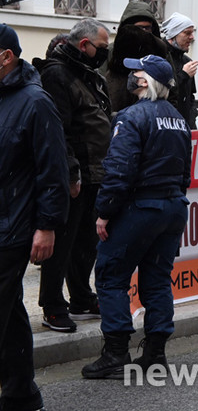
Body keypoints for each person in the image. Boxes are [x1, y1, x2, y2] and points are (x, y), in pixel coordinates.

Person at [82, 55, 191, 379]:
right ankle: (155, 353)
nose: (131, 76)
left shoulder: (130, 117)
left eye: (136, 72)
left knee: (111, 276)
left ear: (145, 82)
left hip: (141, 208)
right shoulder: (179, 119)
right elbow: (185, 172)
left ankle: (115, 354)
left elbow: (118, 171)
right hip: (172, 208)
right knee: (157, 280)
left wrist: (104, 212)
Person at [0, 24, 69, 411]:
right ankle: (21, 395)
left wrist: (46, 226)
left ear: (6, 57)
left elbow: (53, 171)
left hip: (14, 228)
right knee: (9, 316)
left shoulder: (35, 101)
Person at [36, 18, 113, 333]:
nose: (104, 54)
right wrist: (70, 173)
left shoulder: (87, 73)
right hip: (75, 175)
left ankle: (81, 298)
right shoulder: (57, 75)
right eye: (102, 48)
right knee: (62, 242)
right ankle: (53, 305)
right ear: (85, 45)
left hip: (96, 170)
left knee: (86, 243)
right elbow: (59, 131)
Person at [103, 0, 168, 113]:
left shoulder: (159, 50)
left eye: (147, 28)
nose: (143, 32)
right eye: (139, 28)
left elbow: (170, 86)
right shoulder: (111, 51)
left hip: (151, 114)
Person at [161, 12, 198, 127]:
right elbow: (160, 92)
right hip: (165, 125)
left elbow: (190, 96)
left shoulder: (187, 61)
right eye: (187, 33)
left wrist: (191, 122)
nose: (192, 37)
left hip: (184, 126)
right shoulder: (160, 58)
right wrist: (183, 75)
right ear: (173, 36)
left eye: (192, 33)